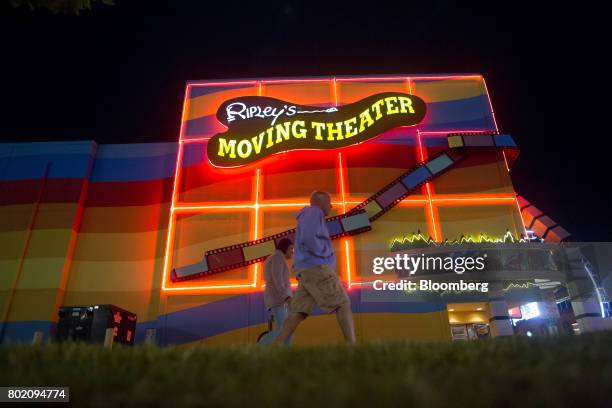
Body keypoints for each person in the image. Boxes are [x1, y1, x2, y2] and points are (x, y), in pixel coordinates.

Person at [274, 191, 356, 344]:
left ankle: (277, 345)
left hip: (307, 273)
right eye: (329, 202)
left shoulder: (308, 215)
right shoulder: (314, 211)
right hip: (317, 269)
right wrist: (323, 253)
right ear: (320, 201)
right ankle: (352, 346)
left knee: (297, 312)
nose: (331, 206)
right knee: (343, 304)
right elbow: (308, 238)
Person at [258, 238, 294, 344]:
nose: (292, 251)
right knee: (283, 330)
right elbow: (277, 279)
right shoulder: (278, 257)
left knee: (285, 330)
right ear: (285, 248)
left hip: (279, 300)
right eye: (291, 248)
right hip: (278, 300)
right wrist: (286, 297)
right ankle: (260, 347)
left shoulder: (277, 257)